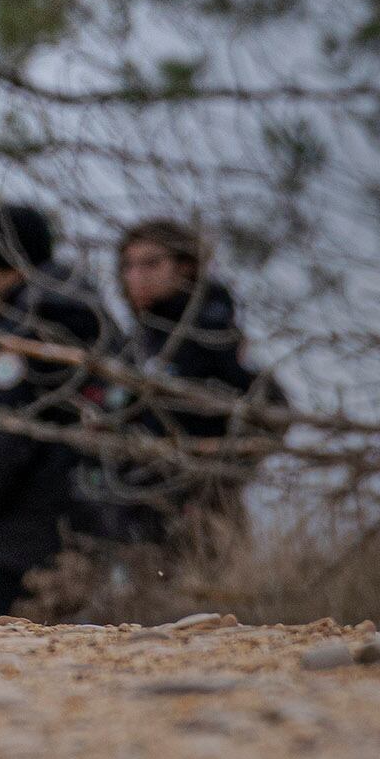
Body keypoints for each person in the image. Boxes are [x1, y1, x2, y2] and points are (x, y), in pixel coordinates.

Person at [0, 201, 115, 619]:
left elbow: (6, 437)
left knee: (15, 660)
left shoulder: (23, 333)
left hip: (20, 537)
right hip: (99, 518)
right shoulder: (100, 322)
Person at [112, 217, 283, 555]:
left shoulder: (212, 332)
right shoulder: (141, 339)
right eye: (128, 266)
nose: (136, 276)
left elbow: (272, 411)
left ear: (185, 267)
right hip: (141, 512)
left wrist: (216, 477)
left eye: (150, 263)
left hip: (202, 517)